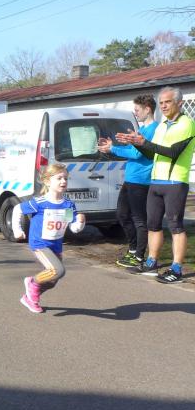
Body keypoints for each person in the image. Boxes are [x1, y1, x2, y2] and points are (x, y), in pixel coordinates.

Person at [116, 86, 195, 284]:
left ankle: (176, 268)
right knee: (152, 225)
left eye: (168, 102)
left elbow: (172, 152)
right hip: (156, 181)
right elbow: (152, 154)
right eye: (161, 103)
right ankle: (151, 262)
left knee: (175, 226)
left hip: (175, 182)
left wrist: (144, 142)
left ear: (179, 103)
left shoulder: (186, 123)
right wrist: (136, 142)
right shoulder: (161, 126)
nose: (164, 106)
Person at [12, 163, 86, 313]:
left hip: (56, 245)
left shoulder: (68, 205)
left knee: (52, 280)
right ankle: (32, 284)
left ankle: (29, 298)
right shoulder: (40, 203)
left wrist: (80, 222)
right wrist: (17, 230)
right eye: (59, 178)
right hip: (39, 243)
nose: (63, 181)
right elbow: (17, 209)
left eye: (66, 178)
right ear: (47, 181)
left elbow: (73, 228)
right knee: (58, 270)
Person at [97, 94, 158, 268]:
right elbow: (131, 149)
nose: (135, 113)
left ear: (147, 109)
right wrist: (113, 145)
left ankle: (139, 256)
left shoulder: (153, 129)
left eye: (137, 110)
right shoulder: (142, 129)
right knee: (122, 215)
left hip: (141, 181)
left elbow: (136, 153)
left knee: (139, 219)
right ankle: (132, 250)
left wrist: (112, 149)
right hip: (130, 178)